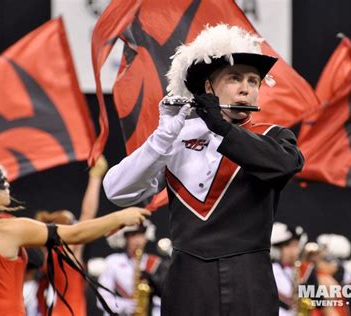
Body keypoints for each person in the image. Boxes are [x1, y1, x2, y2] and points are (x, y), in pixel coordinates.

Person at [103, 23, 305, 315]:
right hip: (187, 279)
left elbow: (285, 165)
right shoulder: (177, 136)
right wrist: (160, 139)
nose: (245, 88)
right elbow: (117, 190)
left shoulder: (273, 136)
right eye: (234, 78)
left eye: (253, 81)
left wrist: (221, 127)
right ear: (209, 87)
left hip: (249, 277)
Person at [0, 159, 150, 316]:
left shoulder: (26, 241)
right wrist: (119, 216)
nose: (6, 182)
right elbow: (77, 232)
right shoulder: (7, 229)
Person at [35, 156, 108, 316]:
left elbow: (39, 294)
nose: (77, 225)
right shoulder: (68, 251)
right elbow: (87, 214)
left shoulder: (47, 252)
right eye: (73, 222)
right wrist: (95, 177)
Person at [97, 219, 166, 316]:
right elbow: (102, 298)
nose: (138, 240)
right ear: (125, 238)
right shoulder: (113, 261)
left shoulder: (155, 263)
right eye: (133, 236)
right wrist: (126, 306)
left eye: (141, 235)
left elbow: (163, 300)